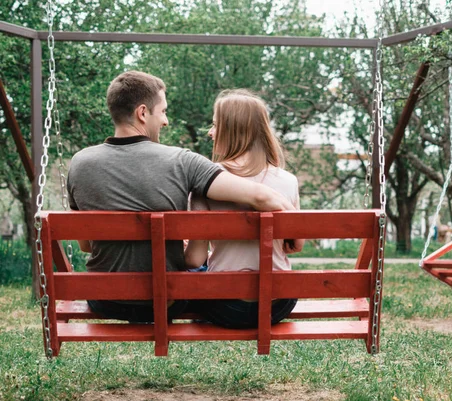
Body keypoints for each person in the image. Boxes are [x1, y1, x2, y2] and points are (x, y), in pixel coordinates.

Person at [67, 72, 294, 323]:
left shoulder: (79, 163)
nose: (165, 121)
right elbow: (261, 197)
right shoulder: (183, 161)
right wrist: (295, 228)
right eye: (162, 111)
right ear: (143, 113)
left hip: (105, 300)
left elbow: (87, 245)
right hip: (167, 300)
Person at [185, 89, 304, 329]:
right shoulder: (288, 180)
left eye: (216, 125)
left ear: (233, 130)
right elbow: (295, 246)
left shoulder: (206, 184)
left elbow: (195, 259)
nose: (210, 132)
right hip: (278, 303)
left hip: (225, 305)